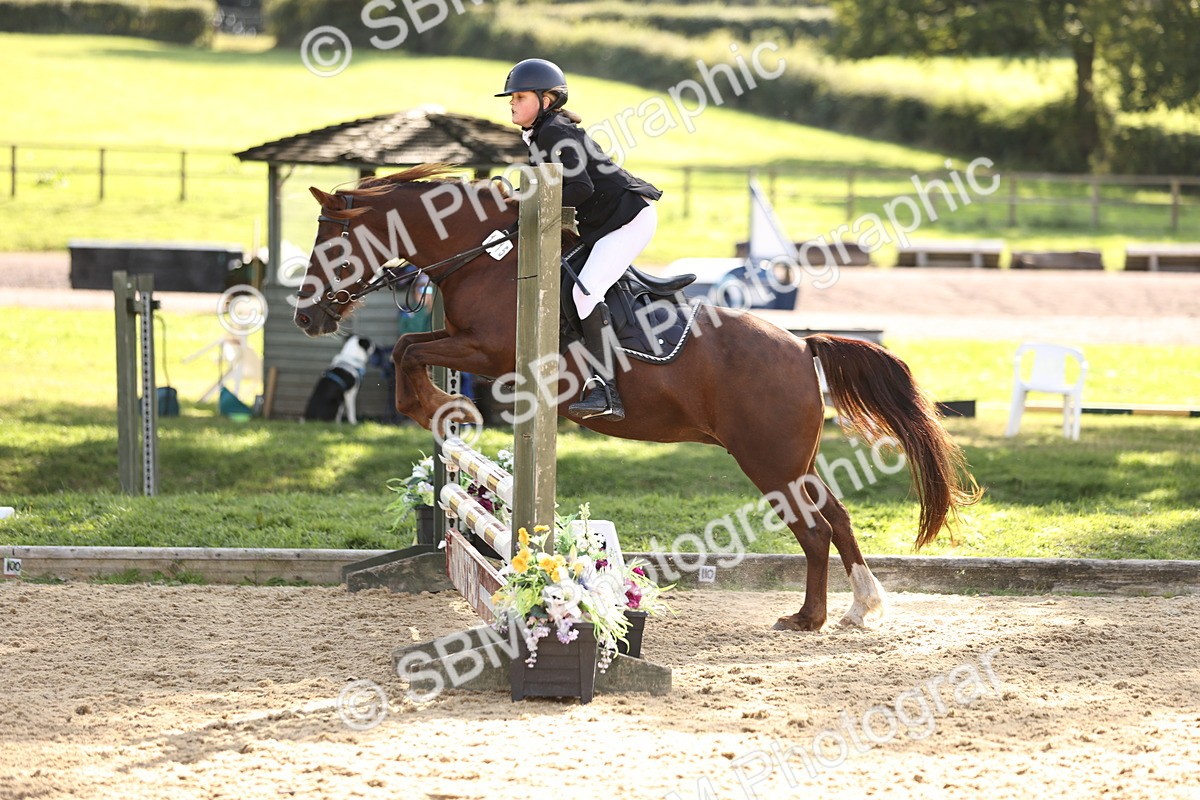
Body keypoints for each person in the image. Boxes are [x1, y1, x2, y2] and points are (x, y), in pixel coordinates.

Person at [497, 58, 663, 423]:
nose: (511, 102)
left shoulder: (553, 132)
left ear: (547, 99)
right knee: (558, 286)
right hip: (608, 224)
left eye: (520, 96)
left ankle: (607, 390)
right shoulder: (543, 133)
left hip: (628, 221)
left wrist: (529, 211)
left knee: (583, 293)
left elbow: (581, 188)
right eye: (511, 97)